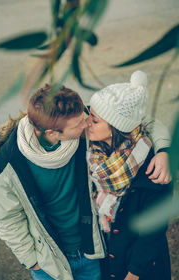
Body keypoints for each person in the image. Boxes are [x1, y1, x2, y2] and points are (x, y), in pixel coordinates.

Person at [0, 83, 170, 280]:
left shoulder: (80, 123)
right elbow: (6, 218)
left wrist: (163, 150)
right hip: (48, 263)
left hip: (92, 255)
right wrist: (31, 260)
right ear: (52, 133)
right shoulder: (8, 163)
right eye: (80, 123)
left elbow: (139, 121)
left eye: (87, 117)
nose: (87, 122)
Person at [86, 70, 172, 280]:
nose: (86, 122)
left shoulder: (153, 169)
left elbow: (152, 232)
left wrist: (135, 274)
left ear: (117, 128)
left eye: (95, 120)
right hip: (105, 260)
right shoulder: (92, 152)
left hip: (139, 268)